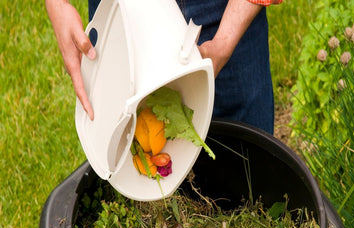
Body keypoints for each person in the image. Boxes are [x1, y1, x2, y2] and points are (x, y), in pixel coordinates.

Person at [45, 0, 282, 134]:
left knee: (248, 166)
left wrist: (224, 42)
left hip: (220, 10)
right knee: (132, 150)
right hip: (122, 10)